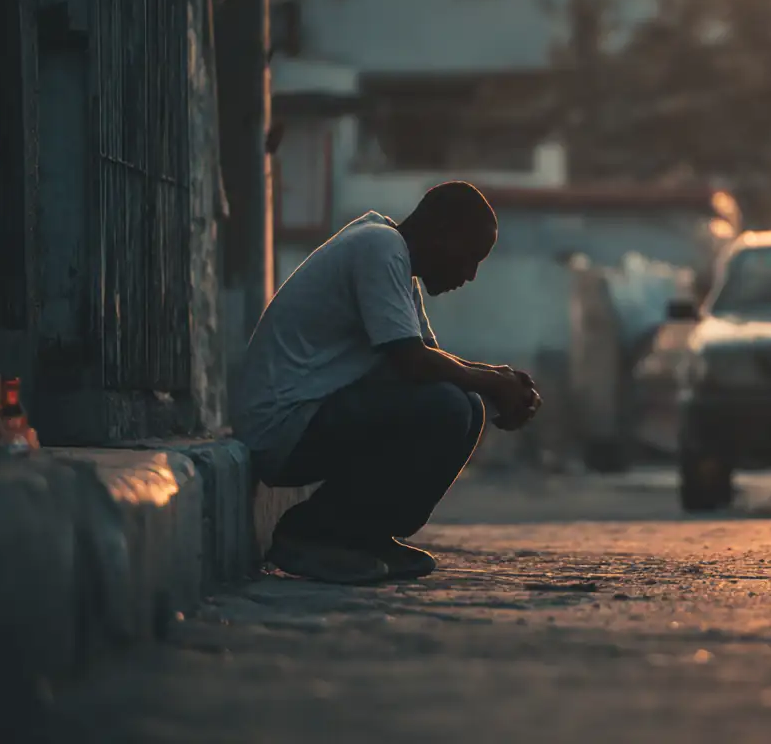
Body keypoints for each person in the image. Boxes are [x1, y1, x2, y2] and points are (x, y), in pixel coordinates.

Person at [231, 181, 543, 585]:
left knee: (465, 406)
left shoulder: (397, 265)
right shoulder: (379, 247)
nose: (469, 275)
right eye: (469, 258)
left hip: (310, 419)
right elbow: (413, 363)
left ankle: (366, 537)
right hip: (281, 428)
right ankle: (309, 533)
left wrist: (497, 382)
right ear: (440, 232)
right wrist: (490, 382)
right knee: (446, 407)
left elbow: (430, 358)